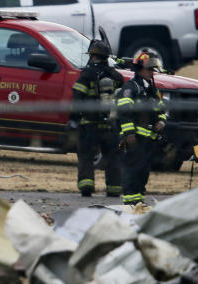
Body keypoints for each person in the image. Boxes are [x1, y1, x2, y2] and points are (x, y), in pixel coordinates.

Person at [70, 38, 124, 197]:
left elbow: (77, 96)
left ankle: (86, 187)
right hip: (110, 126)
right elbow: (121, 88)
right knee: (112, 158)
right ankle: (114, 189)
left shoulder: (87, 74)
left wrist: (73, 118)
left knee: (86, 156)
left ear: (93, 56)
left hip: (89, 125)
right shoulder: (114, 75)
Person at [116, 52, 167, 205]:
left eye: (153, 70)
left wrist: (162, 122)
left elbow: (162, 111)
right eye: (149, 69)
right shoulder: (131, 89)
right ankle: (130, 203)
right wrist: (130, 133)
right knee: (132, 171)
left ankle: (139, 202)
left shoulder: (152, 90)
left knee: (143, 172)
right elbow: (124, 113)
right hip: (134, 139)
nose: (152, 72)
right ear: (139, 69)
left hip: (148, 140)